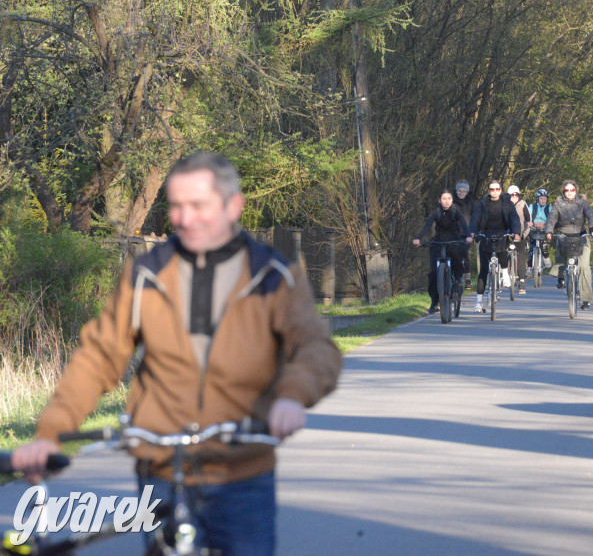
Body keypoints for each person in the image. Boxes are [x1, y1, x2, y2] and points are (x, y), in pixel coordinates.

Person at [11, 152, 342, 556]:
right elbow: (98, 356)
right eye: (176, 205)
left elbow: (316, 348)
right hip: (161, 468)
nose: (183, 218)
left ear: (232, 206)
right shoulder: (147, 273)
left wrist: (292, 396)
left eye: (197, 205)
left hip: (241, 473)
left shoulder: (273, 276)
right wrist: (51, 434)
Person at [413, 189, 471, 313]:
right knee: (434, 273)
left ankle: (457, 282)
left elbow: (464, 225)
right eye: (444, 199)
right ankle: (434, 302)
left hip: (453, 241)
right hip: (438, 242)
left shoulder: (456, 212)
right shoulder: (437, 212)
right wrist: (418, 238)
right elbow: (427, 226)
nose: (446, 201)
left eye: (449, 199)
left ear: (452, 200)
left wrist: (468, 236)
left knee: (457, 262)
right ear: (440, 200)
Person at [545, 179, 593, 310]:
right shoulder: (558, 204)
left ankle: (586, 299)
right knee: (560, 257)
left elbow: (591, 215)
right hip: (564, 236)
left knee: (584, 266)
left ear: (576, 191)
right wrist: (549, 231)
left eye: (572, 190)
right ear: (563, 192)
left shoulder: (583, 203)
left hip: (581, 236)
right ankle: (561, 276)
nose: (569, 192)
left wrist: (592, 228)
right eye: (566, 190)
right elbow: (552, 218)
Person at [469, 180, 522, 313]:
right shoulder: (482, 203)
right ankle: (478, 301)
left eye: (497, 189)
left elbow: (514, 217)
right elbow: (475, 218)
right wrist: (472, 232)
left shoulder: (507, 202)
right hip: (485, 234)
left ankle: (505, 273)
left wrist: (516, 232)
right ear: (488, 191)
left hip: (502, 233)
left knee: (502, 250)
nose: (494, 192)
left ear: (500, 190)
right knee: (483, 271)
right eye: (492, 189)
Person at [507, 185, 532, 295]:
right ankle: (503, 276)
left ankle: (522, 281)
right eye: (511, 195)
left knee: (521, 257)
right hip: (507, 234)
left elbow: (529, 221)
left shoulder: (522, 204)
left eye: (516, 194)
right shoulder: (504, 205)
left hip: (520, 235)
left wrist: (523, 235)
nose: (514, 197)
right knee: (503, 254)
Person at [453, 180, 475, 290]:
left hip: (467, 233)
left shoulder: (471, 203)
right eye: (459, 191)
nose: (461, 193)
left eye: (464, 191)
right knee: (453, 253)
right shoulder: (451, 201)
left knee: (464, 253)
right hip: (453, 233)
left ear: (467, 192)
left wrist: (473, 231)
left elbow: (475, 217)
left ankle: (467, 278)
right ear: (456, 191)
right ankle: (454, 277)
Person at [526, 188, 552, 276]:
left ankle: (546, 257)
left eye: (545, 198)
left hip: (544, 230)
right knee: (531, 247)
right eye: (541, 198)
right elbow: (527, 216)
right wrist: (530, 223)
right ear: (537, 199)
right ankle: (529, 268)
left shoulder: (549, 207)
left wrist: (545, 224)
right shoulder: (532, 207)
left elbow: (552, 219)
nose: (543, 200)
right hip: (533, 229)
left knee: (544, 244)